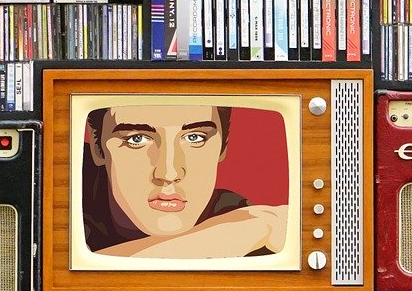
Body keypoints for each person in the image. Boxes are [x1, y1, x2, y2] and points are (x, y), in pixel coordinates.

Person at [80, 103, 288, 259]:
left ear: (223, 146)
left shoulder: (235, 212)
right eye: (137, 139)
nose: (168, 173)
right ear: (97, 148)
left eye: (195, 138)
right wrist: (248, 231)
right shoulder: (250, 226)